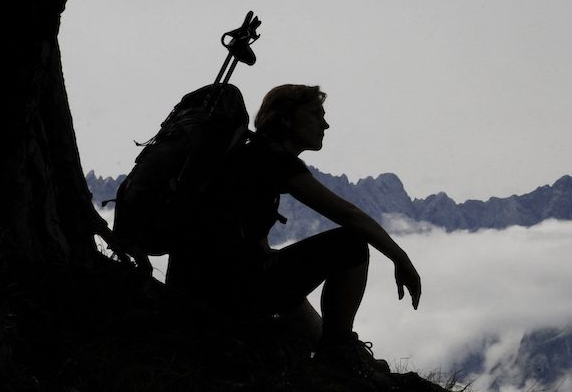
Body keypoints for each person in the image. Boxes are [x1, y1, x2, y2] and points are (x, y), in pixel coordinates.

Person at [164, 83, 422, 376]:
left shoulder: (244, 159)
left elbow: (258, 258)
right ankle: (339, 353)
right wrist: (401, 258)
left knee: (284, 281)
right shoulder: (271, 159)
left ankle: (340, 350)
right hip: (225, 295)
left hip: (200, 290)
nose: (325, 123)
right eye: (315, 114)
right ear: (285, 118)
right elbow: (350, 216)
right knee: (350, 243)